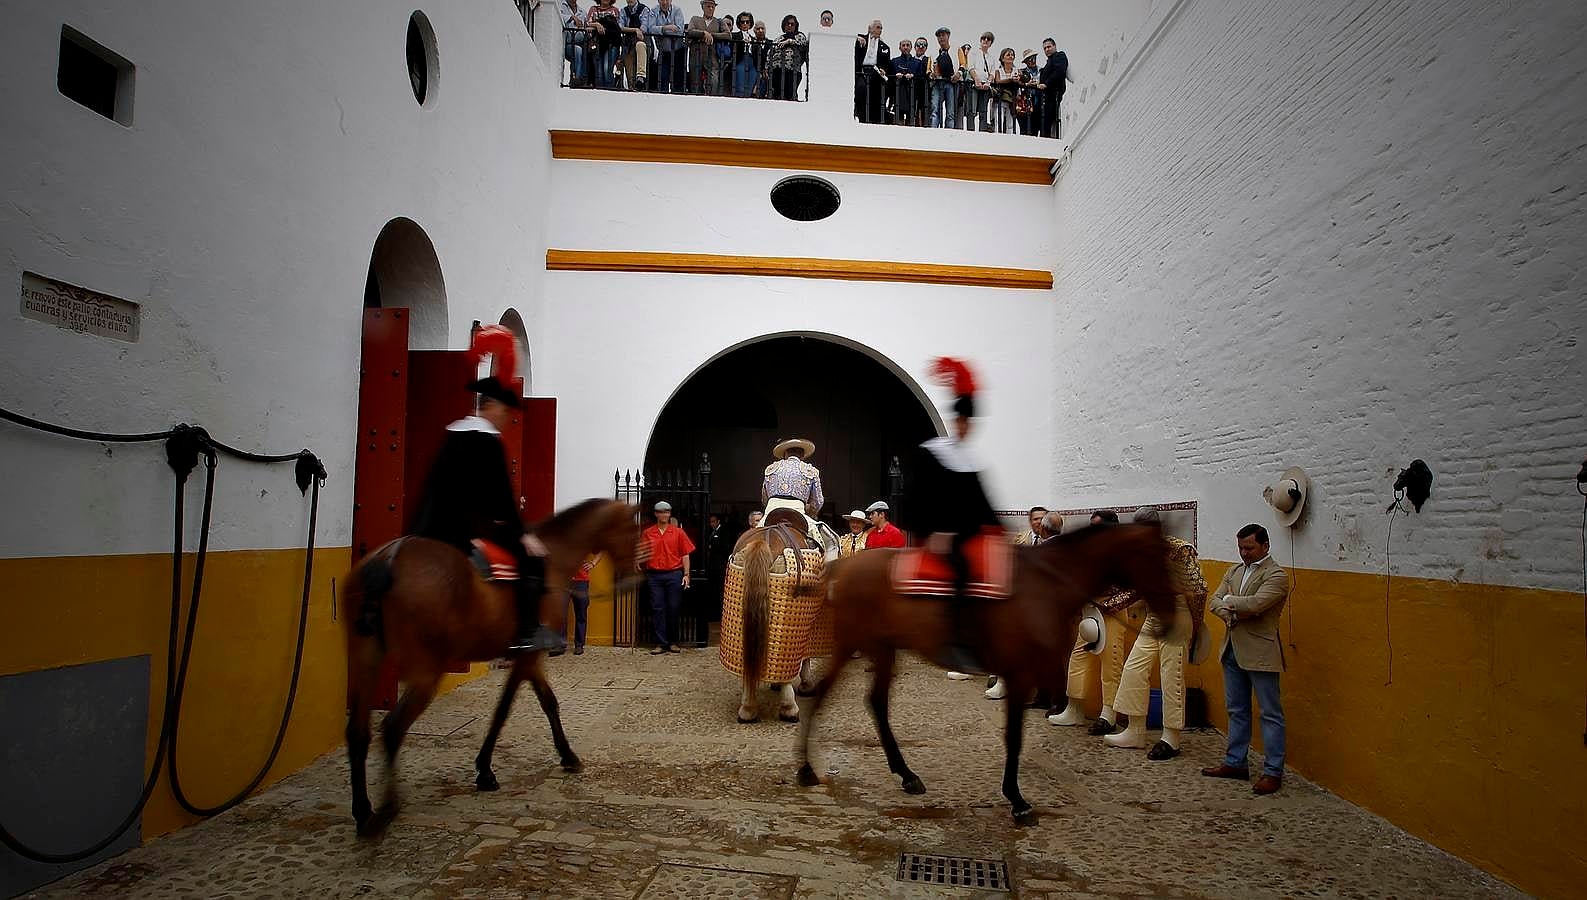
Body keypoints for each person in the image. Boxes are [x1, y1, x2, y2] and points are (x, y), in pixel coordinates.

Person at [410, 326, 562, 655]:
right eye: (506, 412)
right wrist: (523, 534)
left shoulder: (452, 434)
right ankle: (525, 630)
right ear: (492, 406)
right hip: (464, 530)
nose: (508, 419)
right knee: (532, 559)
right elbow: (501, 498)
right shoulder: (487, 441)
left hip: (427, 527)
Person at [907, 357, 1000, 674]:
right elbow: (917, 498)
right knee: (963, 569)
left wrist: (1004, 529)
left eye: (968, 424)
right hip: (939, 536)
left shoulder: (971, 461)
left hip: (967, 532)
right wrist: (932, 532)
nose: (964, 428)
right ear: (953, 422)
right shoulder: (933, 453)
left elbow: (983, 506)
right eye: (960, 422)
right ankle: (955, 640)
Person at [1103, 508, 1209, 758]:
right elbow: (1137, 590)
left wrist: (1195, 624)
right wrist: (1111, 605)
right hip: (1154, 616)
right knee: (1134, 669)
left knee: (1171, 674)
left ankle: (1171, 737)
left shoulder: (1180, 550)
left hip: (1178, 613)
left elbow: (1199, 590)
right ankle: (1135, 730)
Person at [1202, 524, 1292, 794]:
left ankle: (1273, 770)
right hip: (1232, 647)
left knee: (1270, 712)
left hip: (1260, 651)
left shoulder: (1276, 575)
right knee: (1236, 709)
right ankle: (1236, 761)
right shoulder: (1235, 570)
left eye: (1249, 548)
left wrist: (1230, 603)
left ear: (1265, 546)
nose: (1244, 553)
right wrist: (1232, 608)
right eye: (1241, 548)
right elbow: (1214, 601)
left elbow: (1257, 605)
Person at [639, 500, 695, 653]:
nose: (663, 514)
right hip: (654, 575)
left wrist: (686, 574)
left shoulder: (678, 532)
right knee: (657, 609)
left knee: (673, 608)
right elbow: (642, 552)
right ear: (656, 514)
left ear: (670, 514)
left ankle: (673, 641)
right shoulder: (648, 533)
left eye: (666, 512)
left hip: (674, 574)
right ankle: (660, 643)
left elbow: (685, 554)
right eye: (661, 512)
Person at [559, 553, 599, 656]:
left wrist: (593, 563)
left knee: (581, 613)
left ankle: (579, 645)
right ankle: (560, 644)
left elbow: (600, 551)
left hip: (581, 581)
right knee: (560, 613)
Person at [853, 19, 891, 123]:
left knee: (877, 95)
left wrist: (884, 69)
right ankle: (861, 117)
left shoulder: (885, 47)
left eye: (881, 28)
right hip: (861, 72)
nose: (880, 30)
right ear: (870, 28)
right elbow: (847, 39)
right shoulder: (860, 39)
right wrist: (856, 38)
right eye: (878, 27)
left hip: (876, 73)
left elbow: (887, 63)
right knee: (861, 91)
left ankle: (874, 119)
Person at [647, 0, 689, 92]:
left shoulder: (677, 10)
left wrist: (660, 30)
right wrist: (666, 28)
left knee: (678, 81)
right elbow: (650, 29)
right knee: (662, 80)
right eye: (662, 0)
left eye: (667, 0)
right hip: (663, 51)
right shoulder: (653, 11)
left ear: (671, 0)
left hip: (678, 51)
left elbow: (679, 30)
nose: (664, 2)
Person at [688, 0, 729, 94]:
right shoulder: (695, 19)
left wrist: (711, 35)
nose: (710, 9)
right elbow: (690, 31)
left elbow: (727, 35)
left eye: (712, 7)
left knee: (714, 81)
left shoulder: (719, 21)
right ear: (703, 7)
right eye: (708, 6)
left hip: (712, 55)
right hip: (696, 54)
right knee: (695, 83)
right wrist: (703, 33)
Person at [765, 14, 807, 101]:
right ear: (784, 26)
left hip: (792, 71)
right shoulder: (778, 39)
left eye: (792, 24)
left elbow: (803, 43)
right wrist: (766, 67)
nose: (790, 26)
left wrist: (789, 41)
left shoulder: (799, 36)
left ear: (796, 26)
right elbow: (770, 53)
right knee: (777, 94)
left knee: (790, 93)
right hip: (776, 70)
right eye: (787, 24)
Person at [587, 0, 625, 89]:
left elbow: (618, 28)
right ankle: (600, 95)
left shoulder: (614, 10)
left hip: (611, 45)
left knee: (606, 68)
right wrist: (596, 24)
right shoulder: (593, 9)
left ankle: (609, 93)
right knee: (599, 71)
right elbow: (587, 24)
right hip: (597, 44)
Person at [618, 0, 652, 90]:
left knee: (640, 45)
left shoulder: (644, 10)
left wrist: (629, 29)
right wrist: (635, 30)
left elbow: (644, 28)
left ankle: (641, 77)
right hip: (628, 45)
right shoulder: (623, 11)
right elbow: (620, 27)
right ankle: (632, 86)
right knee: (630, 78)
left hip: (643, 43)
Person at [1038, 38, 1069, 138]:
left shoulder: (1059, 56)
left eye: (1049, 46)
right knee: (1045, 122)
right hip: (1047, 97)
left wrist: (1046, 84)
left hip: (1054, 94)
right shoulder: (1048, 62)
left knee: (1051, 121)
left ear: (1054, 46)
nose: (1047, 49)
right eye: (1045, 48)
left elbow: (1059, 71)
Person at [928, 28, 959, 129]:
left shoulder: (956, 50)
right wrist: (931, 75)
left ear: (948, 36)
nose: (941, 38)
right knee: (935, 110)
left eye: (943, 35)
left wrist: (958, 74)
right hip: (937, 84)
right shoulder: (933, 52)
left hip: (951, 83)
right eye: (939, 36)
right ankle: (934, 131)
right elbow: (928, 70)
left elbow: (963, 64)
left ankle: (949, 133)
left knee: (950, 112)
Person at [988, 47, 1021, 134]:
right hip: (1000, 98)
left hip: (1012, 100)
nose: (1011, 56)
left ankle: (1009, 141)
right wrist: (1011, 80)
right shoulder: (998, 71)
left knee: (1010, 124)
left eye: (1012, 55)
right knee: (999, 120)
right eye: (1008, 55)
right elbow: (998, 81)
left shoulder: (1017, 71)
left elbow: (1022, 82)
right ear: (1002, 58)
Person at [556, 0, 589, 87]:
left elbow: (587, 27)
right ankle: (576, 79)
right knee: (577, 50)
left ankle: (585, 79)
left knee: (586, 50)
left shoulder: (582, 12)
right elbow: (556, 16)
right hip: (567, 44)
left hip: (580, 42)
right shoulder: (560, 5)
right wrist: (571, 17)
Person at [726, 11, 759, 96]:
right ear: (739, 24)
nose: (745, 24)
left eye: (747, 22)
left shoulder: (754, 39)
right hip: (741, 60)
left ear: (750, 24)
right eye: (742, 22)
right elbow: (732, 48)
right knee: (740, 87)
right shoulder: (735, 35)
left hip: (752, 62)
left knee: (750, 86)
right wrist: (742, 42)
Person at [891, 39, 922, 125]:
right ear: (899, 48)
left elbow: (921, 77)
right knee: (898, 120)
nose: (905, 47)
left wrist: (913, 76)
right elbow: (889, 77)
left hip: (912, 95)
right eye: (903, 45)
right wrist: (895, 76)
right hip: (898, 95)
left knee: (911, 121)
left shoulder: (917, 62)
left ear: (911, 48)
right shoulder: (894, 61)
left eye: (908, 45)